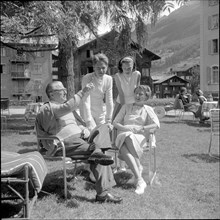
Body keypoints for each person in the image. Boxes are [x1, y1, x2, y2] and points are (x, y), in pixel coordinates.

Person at [36, 81, 122, 204]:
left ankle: (97, 153)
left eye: (65, 88)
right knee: (100, 154)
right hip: (64, 143)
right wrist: (83, 92)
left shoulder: (65, 109)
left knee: (103, 130)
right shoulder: (47, 108)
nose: (65, 91)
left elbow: (78, 123)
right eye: (61, 89)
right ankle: (103, 193)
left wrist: (82, 129)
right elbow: (66, 108)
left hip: (81, 140)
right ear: (51, 94)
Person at [113, 85, 160, 195]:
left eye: (141, 94)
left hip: (140, 136)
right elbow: (115, 122)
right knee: (127, 136)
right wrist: (125, 128)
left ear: (146, 96)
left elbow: (156, 124)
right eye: (136, 93)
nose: (137, 96)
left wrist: (142, 128)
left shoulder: (148, 109)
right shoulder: (126, 107)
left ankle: (138, 176)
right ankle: (139, 178)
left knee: (124, 144)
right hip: (125, 133)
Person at [112, 56, 141, 172]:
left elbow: (137, 90)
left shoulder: (137, 74)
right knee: (119, 130)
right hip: (122, 103)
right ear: (121, 67)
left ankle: (132, 160)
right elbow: (121, 94)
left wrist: (137, 104)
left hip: (133, 103)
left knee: (130, 132)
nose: (127, 70)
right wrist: (125, 110)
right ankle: (120, 164)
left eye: (129, 68)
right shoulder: (117, 76)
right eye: (125, 68)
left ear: (133, 66)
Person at [80, 53, 113, 132]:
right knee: (92, 133)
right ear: (94, 67)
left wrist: (108, 119)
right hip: (87, 109)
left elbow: (109, 100)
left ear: (107, 67)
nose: (101, 70)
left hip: (100, 109)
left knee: (103, 133)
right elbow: (86, 100)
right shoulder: (87, 78)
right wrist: (88, 121)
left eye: (103, 68)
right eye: (98, 68)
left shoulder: (108, 79)